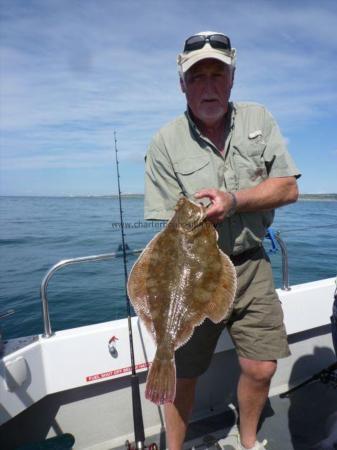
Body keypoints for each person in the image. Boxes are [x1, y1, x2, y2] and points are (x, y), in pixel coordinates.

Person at [144, 31, 300, 450]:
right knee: (181, 374)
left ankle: (249, 442)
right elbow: (165, 228)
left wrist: (235, 201)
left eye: (218, 74)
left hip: (251, 265)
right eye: (197, 77)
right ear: (182, 84)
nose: (208, 85)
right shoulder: (164, 143)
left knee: (262, 366)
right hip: (190, 275)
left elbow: (288, 188)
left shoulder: (258, 120)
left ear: (232, 79)